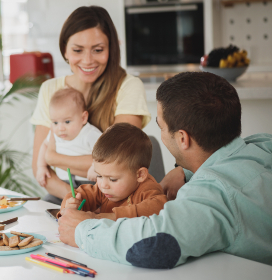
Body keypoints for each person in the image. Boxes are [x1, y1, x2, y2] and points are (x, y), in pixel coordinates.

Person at [58, 72, 272, 268]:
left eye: (160, 126)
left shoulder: (212, 195)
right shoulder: (262, 145)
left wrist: (82, 231)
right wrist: (185, 170)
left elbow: (154, 246)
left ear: (182, 138)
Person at [31, 6, 151, 203]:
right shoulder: (49, 89)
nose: (87, 60)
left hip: (112, 197)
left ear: (111, 49)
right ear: (65, 50)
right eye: (77, 50)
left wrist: (53, 158)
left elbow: (118, 162)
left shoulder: (128, 87)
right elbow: (41, 171)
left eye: (98, 50)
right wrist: (75, 197)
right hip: (65, 195)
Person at [58, 123, 167, 220]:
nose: (103, 185)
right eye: (99, 176)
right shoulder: (104, 189)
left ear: (140, 175)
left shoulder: (148, 189)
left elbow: (159, 207)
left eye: (113, 179)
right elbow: (81, 194)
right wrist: (70, 205)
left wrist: (103, 217)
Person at [35, 88, 102, 202]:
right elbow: (45, 145)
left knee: (95, 205)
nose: (60, 128)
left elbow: (106, 152)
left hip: (89, 184)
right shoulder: (55, 134)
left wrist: (95, 166)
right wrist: (41, 166)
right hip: (63, 183)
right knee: (47, 203)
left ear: (83, 118)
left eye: (67, 122)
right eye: (55, 122)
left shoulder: (90, 133)